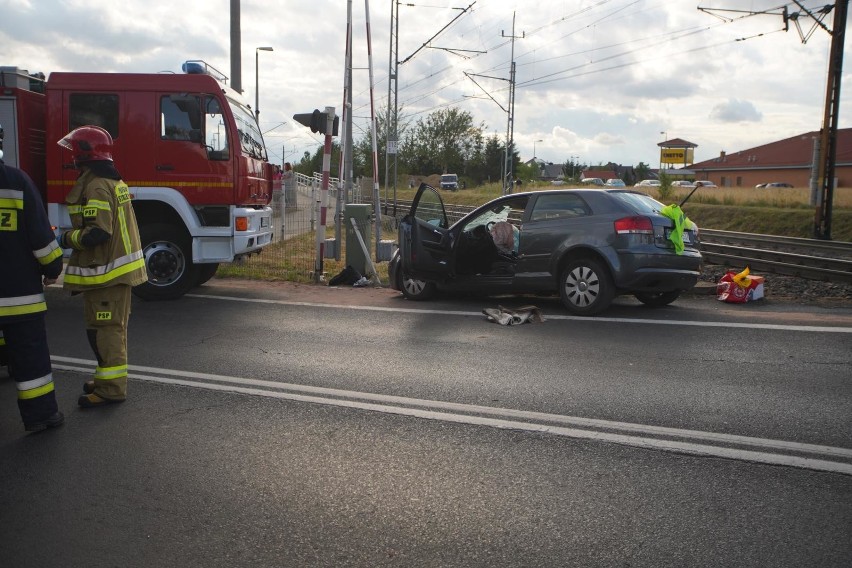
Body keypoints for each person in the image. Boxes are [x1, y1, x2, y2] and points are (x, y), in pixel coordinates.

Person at [56, 125, 147, 408]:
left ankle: (111, 390)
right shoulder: (111, 181)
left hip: (108, 274)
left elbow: (99, 233)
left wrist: (65, 238)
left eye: (74, 151)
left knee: (107, 331)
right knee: (104, 329)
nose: (71, 157)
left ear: (85, 153)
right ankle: (105, 377)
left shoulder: (96, 185)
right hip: (110, 273)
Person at [0, 130, 66, 431]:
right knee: (30, 360)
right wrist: (53, 268)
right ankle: (41, 417)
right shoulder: (16, 183)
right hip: (18, 298)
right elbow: (41, 239)